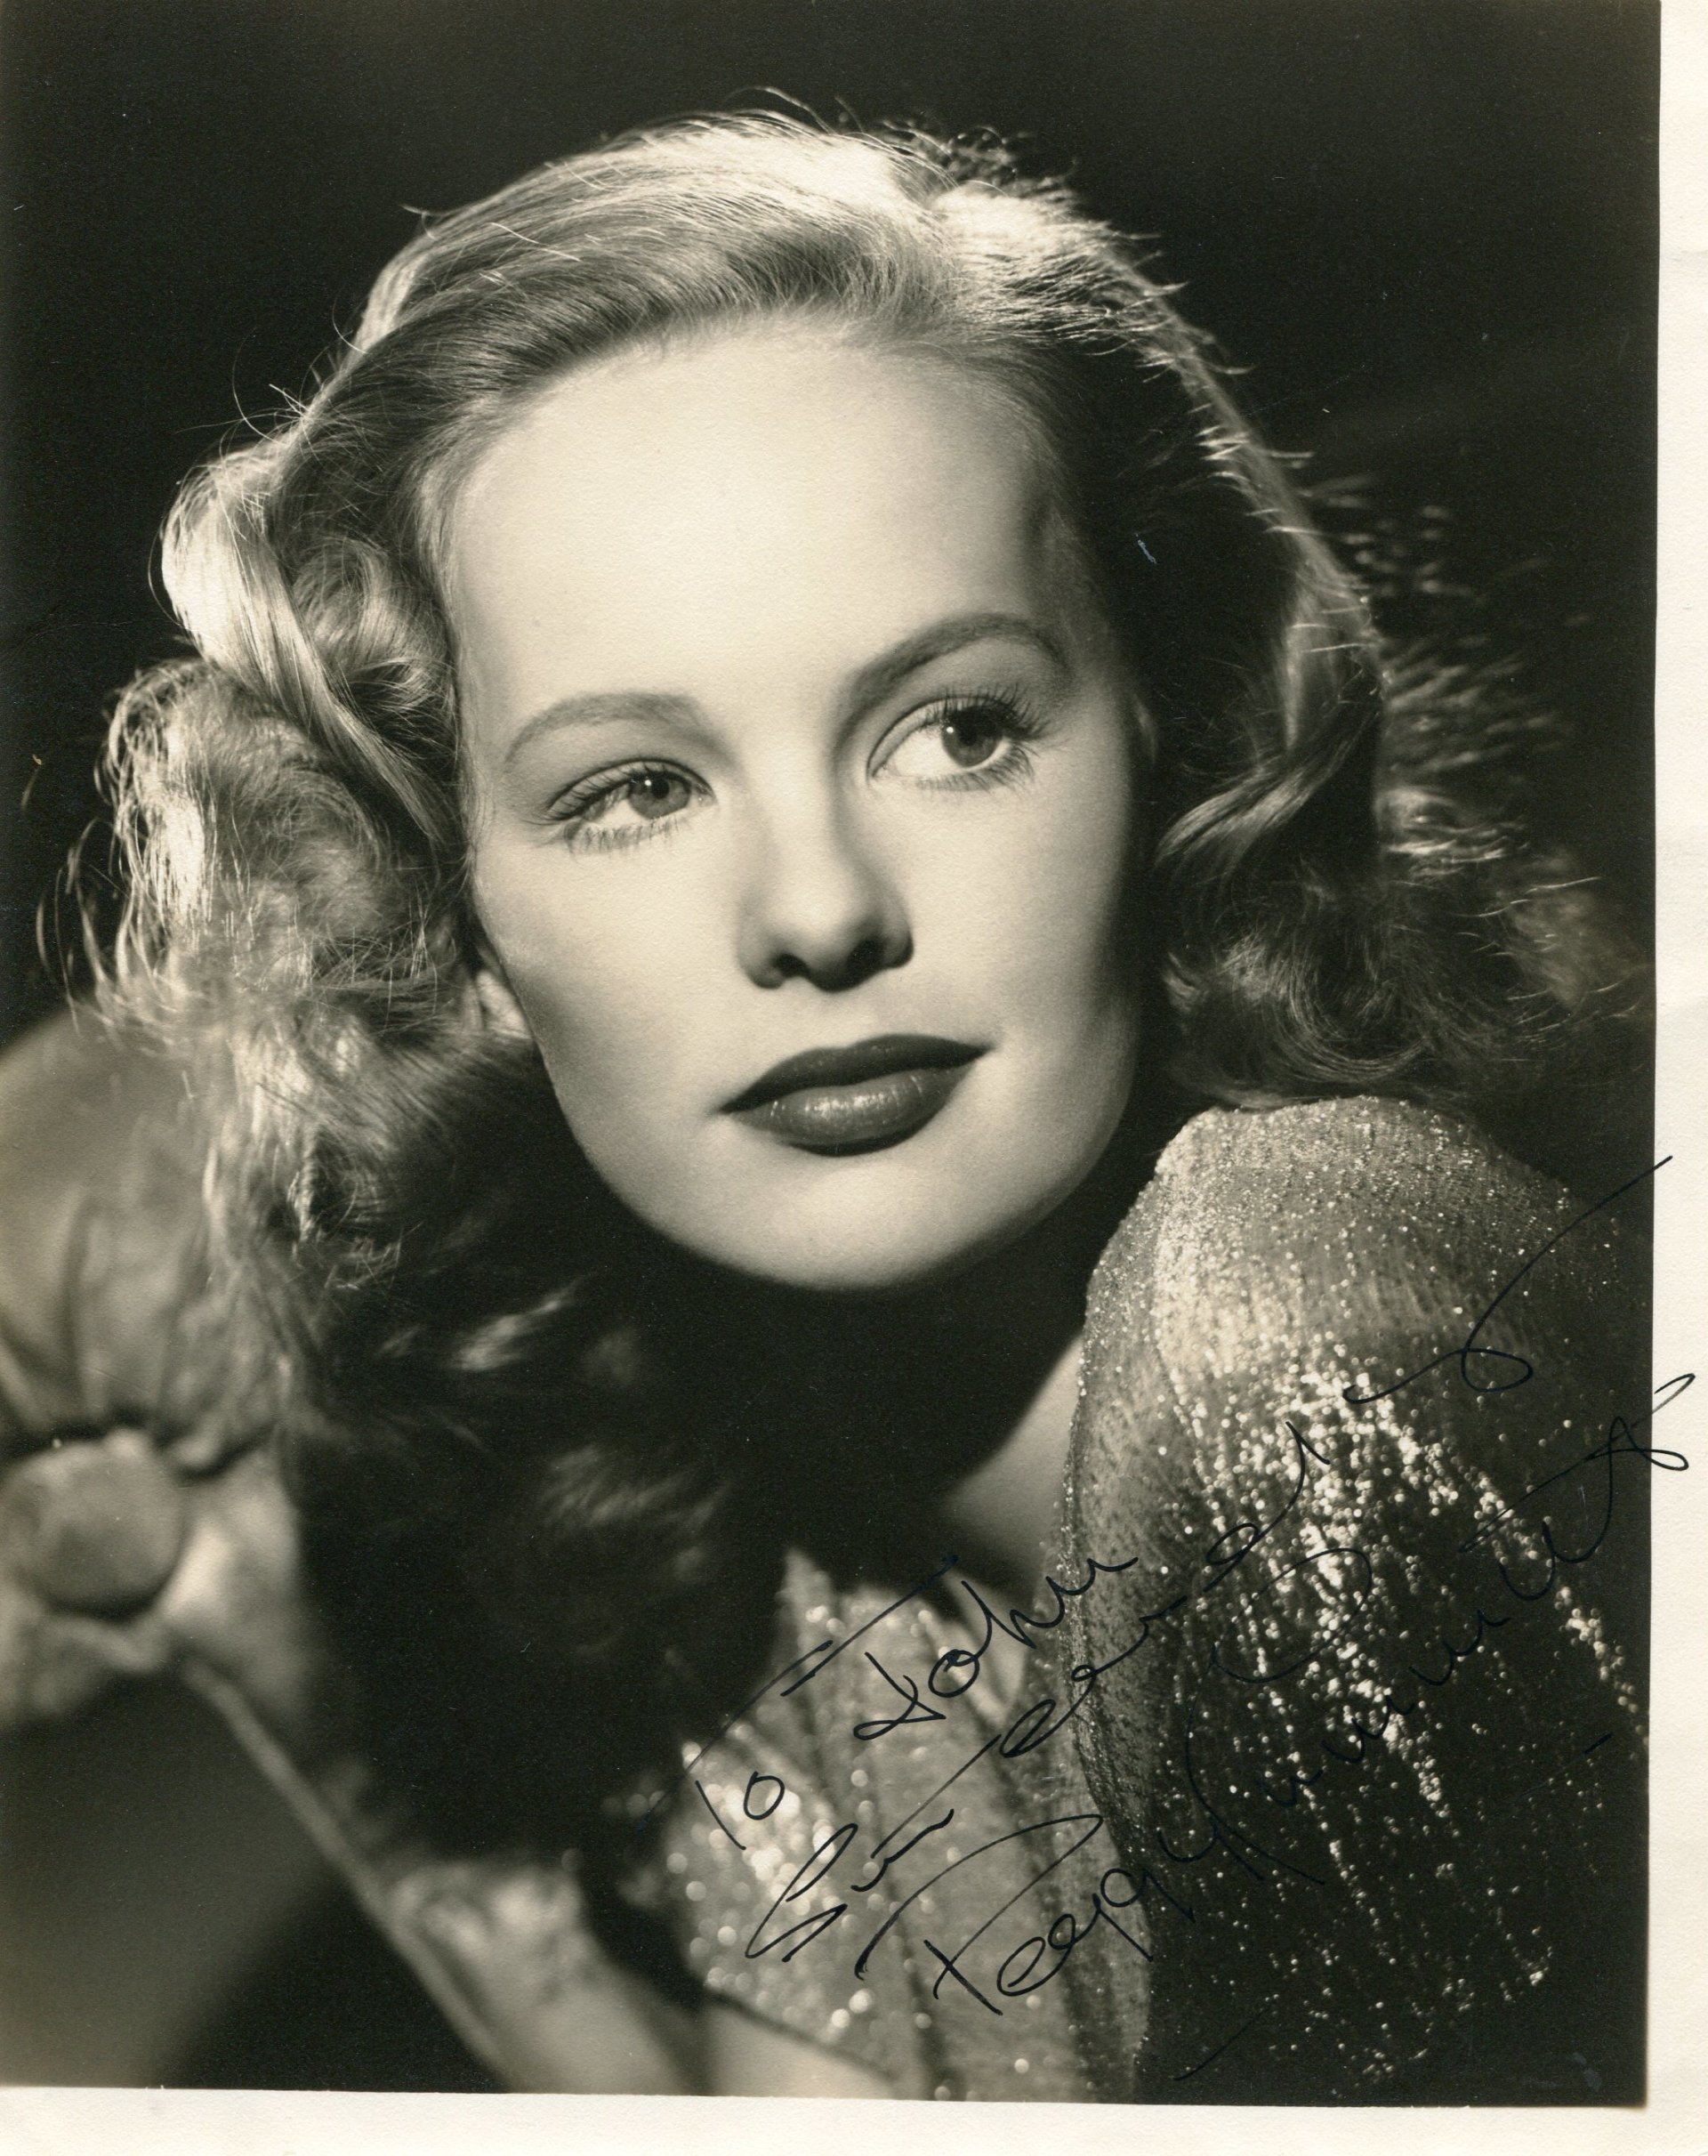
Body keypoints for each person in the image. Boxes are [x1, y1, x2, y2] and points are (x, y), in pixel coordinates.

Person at [0, 114, 1653, 2103]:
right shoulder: (796, 1520)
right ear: (462, 922)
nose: (819, 911)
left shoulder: (1302, 1331)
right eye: (634, 789)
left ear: (1177, 730)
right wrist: (273, 1644)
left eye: (956, 730)